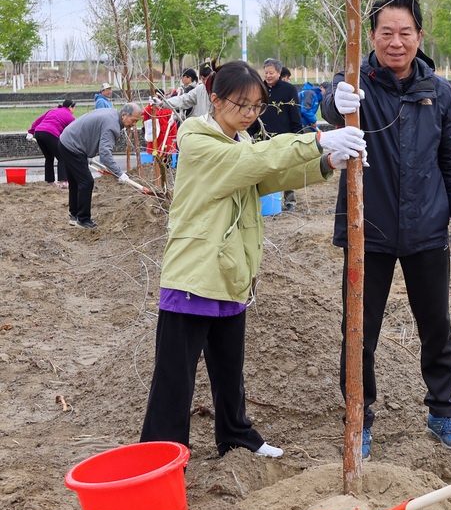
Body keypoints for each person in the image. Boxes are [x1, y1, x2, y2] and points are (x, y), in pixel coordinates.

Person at [139, 60, 366, 458]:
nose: (249, 114)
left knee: (229, 368)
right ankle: (162, 453)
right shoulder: (196, 139)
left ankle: (236, 435)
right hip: (195, 272)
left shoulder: (239, 142)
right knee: (175, 375)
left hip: (231, 270)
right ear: (214, 99)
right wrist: (316, 141)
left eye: (257, 106)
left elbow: (266, 178)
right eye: (241, 104)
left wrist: (325, 162)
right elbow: (251, 163)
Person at [319, 0, 451, 459]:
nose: (396, 42)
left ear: (419, 36)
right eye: (386, 32)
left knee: (436, 325)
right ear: (371, 36)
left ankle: (442, 411)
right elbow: (331, 112)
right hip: (368, 229)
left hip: (427, 229)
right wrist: (336, 100)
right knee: (359, 329)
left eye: (405, 32)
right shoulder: (355, 85)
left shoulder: (439, 93)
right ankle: (359, 418)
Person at [57, 103, 142, 228]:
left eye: (136, 121)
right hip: (72, 146)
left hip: (67, 140)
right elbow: (105, 153)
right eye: (133, 120)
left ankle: (74, 216)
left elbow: (93, 130)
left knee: (76, 182)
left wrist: (87, 154)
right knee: (87, 182)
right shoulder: (112, 126)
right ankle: (83, 220)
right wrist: (119, 173)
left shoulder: (112, 114)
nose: (134, 124)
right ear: (124, 115)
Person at [249, 58, 303, 211]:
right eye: (266, 72)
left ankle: (290, 201)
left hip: (284, 136)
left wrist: (297, 134)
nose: (268, 76)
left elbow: (295, 113)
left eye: (271, 73)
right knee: (264, 169)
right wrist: (251, 132)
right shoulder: (259, 89)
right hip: (263, 136)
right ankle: (267, 201)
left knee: (287, 169)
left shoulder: (289, 89)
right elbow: (255, 112)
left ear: (279, 73)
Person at [28, 99, 75, 187]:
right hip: (50, 134)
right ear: (70, 107)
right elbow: (74, 131)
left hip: (38, 133)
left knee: (49, 158)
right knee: (62, 157)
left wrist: (30, 132)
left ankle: (50, 181)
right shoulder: (69, 116)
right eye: (74, 108)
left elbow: (38, 120)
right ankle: (64, 181)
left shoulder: (53, 110)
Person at [142, 91, 178, 156]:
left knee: (166, 155)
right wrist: (150, 105)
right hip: (155, 137)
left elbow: (173, 124)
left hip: (166, 137)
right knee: (156, 156)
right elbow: (144, 115)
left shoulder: (167, 108)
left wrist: (174, 136)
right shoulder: (150, 108)